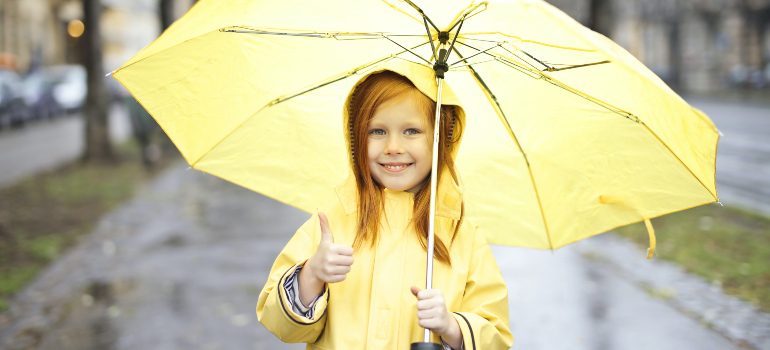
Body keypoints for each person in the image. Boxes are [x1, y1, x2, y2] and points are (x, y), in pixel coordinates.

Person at [257, 62, 513, 350]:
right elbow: (278, 322)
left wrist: (451, 327)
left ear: (440, 138)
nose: (393, 146)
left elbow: (496, 335)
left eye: (412, 131)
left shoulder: (462, 238)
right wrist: (312, 274)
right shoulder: (331, 223)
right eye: (377, 131)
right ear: (356, 139)